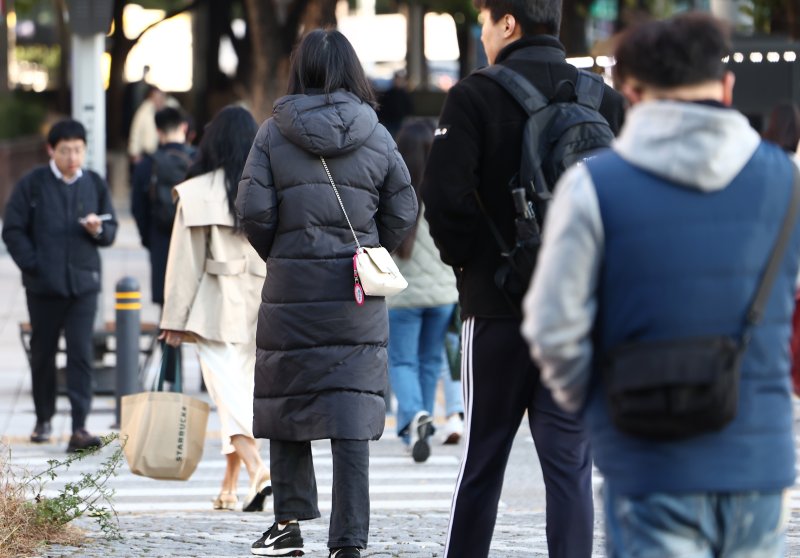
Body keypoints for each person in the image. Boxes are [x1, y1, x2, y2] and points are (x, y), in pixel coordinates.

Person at [522, 12, 800, 557]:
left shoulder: (593, 188)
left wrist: (605, 403)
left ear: (631, 93)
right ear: (727, 86)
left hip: (648, 455)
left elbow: (553, 330)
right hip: (759, 460)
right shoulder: (786, 183)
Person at [420, 0, 625, 555]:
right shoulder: (604, 100)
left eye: (484, 21)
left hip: (497, 310)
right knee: (569, 465)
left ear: (507, 22)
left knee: (482, 460)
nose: (483, 34)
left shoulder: (473, 96)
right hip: (577, 312)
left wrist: (473, 267)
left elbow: (444, 200)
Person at [237, 29, 417, 558]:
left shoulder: (272, 133)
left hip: (292, 290)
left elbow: (253, 211)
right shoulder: (377, 134)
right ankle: (348, 542)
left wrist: (285, 252)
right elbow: (404, 207)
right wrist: (368, 244)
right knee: (351, 415)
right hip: (356, 292)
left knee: (287, 403)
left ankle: (288, 525)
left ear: (301, 70)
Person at [158, 105, 270, 512]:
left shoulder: (197, 192)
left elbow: (184, 264)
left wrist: (173, 320)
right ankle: (229, 485)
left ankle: (259, 469)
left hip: (214, 309)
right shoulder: (268, 187)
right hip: (262, 303)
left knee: (230, 398)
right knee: (238, 397)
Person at [2, 119, 118, 453]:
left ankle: (80, 425)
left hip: (83, 284)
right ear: (51, 150)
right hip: (43, 287)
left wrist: (97, 229)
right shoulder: (33, 184)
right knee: (43, 354)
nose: (72, 156)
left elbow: (110, 232)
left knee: (81, 353)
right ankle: (43, 417)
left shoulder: (94, 183)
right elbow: (12, 230)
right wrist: (34, 265)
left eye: (78, 150)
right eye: (65, 150)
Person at [386, 118, 460, 463]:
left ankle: (414, 416)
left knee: (402, 360)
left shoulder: (393, 193)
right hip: (444, 294)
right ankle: (424, 418)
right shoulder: (448, 189)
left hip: (402, 296)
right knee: (431, 360)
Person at [131, 106, 196, 307]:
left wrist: (147, 238)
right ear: (184, 127)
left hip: (160, 240)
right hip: (193, 239)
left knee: (167, 307)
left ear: (158, 131)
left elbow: (137, 208)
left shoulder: (146, 165)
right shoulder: (198, 160)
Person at [128, 85, 167, 167]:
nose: (158, 101)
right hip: (147, 153)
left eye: (160, 98)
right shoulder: (144, 112)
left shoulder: (169, 110)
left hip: (164, 153)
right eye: (155, 98)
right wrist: (134, 152)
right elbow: (136, 132)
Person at [376, 70, 414, 138]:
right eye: (397, 79)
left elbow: (409, 108)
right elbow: (381, 108)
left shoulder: (405, 94)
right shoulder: (387, 94)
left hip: (400, 121)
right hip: (389, 122)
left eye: (400, 79)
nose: (398, 81)